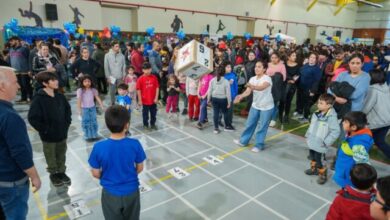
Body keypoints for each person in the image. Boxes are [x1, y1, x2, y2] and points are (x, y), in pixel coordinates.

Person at [88, 105, 146, 220]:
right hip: (132, 192)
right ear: (127, 125)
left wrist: (108, 178)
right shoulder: (135, 144)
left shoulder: (98, 147)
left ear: (107, 124)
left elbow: (95, 173)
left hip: (110, 193)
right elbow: (140, 168)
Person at [0, 66, 41, 220]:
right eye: (15, 82)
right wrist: (35, 176)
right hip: (11, 182)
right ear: (2, 86)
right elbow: (19, 152)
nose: (18, 86)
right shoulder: (9, 117)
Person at [28, 71, 72, 187]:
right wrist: (46, 129)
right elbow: (32, 118)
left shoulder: (60, 96)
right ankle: (53, 174)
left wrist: (66, 123)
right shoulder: (39, 99)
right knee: (50, 156)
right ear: (45, 83)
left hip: (62, 133)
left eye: (56, 79)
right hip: (48, 137)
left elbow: (68, 110)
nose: (56, 81)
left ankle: (62, 172)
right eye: (53, 80)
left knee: (61, 154)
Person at [233, 61, 274, 152]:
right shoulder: (252, 79)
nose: (256, 68)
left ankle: (259, 145)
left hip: (266, 107)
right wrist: (240, 96)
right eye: (256, 66)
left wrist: (251, 86)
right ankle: (243, 141)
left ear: (264, 69)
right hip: (255, 105)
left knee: (262, 127)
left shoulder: (267, 79)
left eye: (259, 67)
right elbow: (247, 92)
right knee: (250, 124)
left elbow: (261, 88)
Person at [304, 94, 340, 184]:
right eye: (318, 102)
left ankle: (322, 175)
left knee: (320, 161)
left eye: (321, 103)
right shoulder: (316, 113)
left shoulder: (331, 117)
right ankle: (314, 169)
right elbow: (311, 125)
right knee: (312, 157)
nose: (318, 104)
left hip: (321, 144)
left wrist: (326, 142)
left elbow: (335, 131)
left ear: (329, 105)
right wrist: (307, 135)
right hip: (312, 141)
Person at [333, 111, 373, 188]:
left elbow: (362, 161)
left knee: (348, 188)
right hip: (344, 166)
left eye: (345, 122)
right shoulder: (353, 133)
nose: (342, 123)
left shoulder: (359, 142)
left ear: (354, 127)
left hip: (348, 171)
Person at [361, 69, 390, 158]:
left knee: (361, 141)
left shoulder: (372, 90)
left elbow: (367, 107)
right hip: (387, 122)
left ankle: (359, 162)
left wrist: (359, 115)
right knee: (379, 141)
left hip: (374, 123)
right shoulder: (387, 88)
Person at [77, 75, 104, 141]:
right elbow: (79, 101)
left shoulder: (93, 90)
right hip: (84, 109)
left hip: (92, 108)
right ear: (82, 82)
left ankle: (94, 135)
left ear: (91, 82)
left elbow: (97, 98)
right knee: (86, 122)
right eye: (85, 81)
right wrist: (79, 111)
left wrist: (102, 106)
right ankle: (87, 136)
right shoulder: (80, 90)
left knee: (94, 121)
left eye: (89, 81)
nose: (87, 83)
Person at [298, 53, 322, 123]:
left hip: (309, 89)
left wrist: (312, 91)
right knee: (302, 102)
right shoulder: (306, 65)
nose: (312, 59)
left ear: (316, 60)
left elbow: (316, 81)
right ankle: (302, 114)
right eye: (311, 57)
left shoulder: (317, 69)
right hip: (301, 88)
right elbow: (300, 72)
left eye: (314, 58)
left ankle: (306, 117)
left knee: (307, 104)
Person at [208, 66, 232, 134]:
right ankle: (227, 126)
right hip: (223, 100)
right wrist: (229, 102)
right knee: (225, 113)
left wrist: (208, 99)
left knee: (215, 113)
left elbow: (209, 90)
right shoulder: (226, 81)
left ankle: (216, 128)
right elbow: (228, 93)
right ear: (224, 73)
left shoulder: (212, 80)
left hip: (214, 99)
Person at [8, 36, 32, 103]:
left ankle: (31, 98)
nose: (10, 42)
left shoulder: (24, 49)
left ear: (17, 41)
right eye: (10, 41)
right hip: (15, 71)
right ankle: (23, 98)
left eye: (12, 41)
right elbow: (10, 60)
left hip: (24, 71)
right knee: (20, 86)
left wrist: (30, 69)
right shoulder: (11, 49)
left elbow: (29, 59)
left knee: (26, 85)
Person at [136, 62, 159, 130]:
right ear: (142, 70)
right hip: (145, 101)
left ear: (151, 69)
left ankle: (153, 124)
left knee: (153, 113)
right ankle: (145, 125)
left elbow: (157, 88)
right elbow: (138, 90)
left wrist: (156, 98)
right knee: (145, 114)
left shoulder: (154, 77)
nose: (147, 71)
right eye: (145, 69)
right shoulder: (140, 79)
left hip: (153, 100)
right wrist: (140, 100)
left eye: (148, 69)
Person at [105, 41, 126, 105]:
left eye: (118, 46)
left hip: (120, 76)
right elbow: (106, 67)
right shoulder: (107, 55)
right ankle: (112, 102)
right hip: (112, 77)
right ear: (112, 47)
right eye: (116, 46)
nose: (118, 47)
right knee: (112, 91)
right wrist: (108, 77)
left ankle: (121, 102)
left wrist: (124, 75)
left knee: (121, 90)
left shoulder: (122, 55)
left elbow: (124, 66)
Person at [281, 51, 300, 123]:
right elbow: (282, 74)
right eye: (293, 55)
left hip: (292, 86)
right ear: (288, 57)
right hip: (284, 85)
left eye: (295, 56)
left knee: (289, 101)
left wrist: (292, 80)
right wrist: (288, 80)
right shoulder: (284, 65)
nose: (295, 57)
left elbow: (297, 75)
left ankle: (286, 115)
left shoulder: (297, 66)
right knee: (282, 100)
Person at [222, 61, 238, 131]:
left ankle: (228, 124)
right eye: (228, 67)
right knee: (225, 111)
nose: (230, 68)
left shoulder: (233, 75)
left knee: (230, 111)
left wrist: (235, 95)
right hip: (224, 96)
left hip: (231, 96)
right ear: (224, 68)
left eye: (230, 67)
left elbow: (235, 86)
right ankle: (226, 125)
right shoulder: (222, 76)